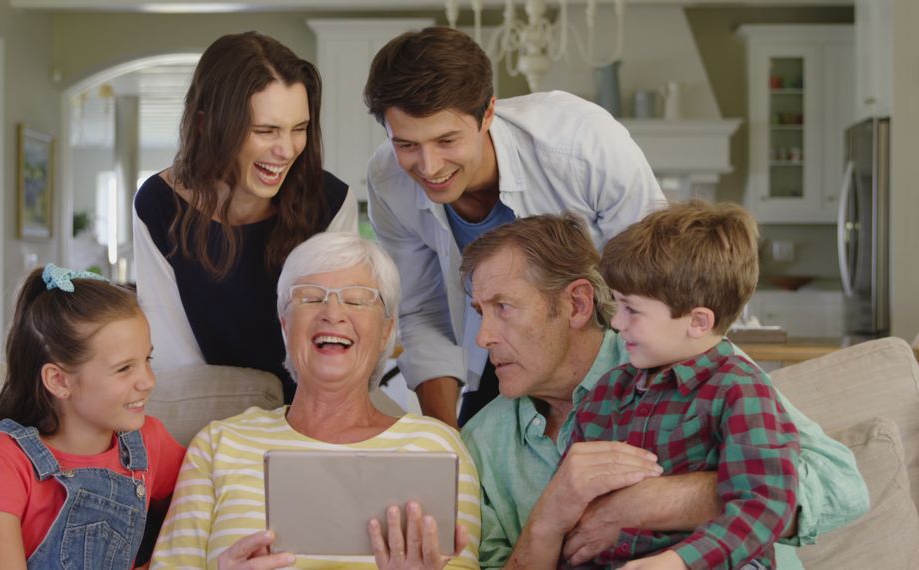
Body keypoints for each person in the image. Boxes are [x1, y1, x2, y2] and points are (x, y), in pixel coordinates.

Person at [458, 215, 869, 569]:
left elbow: (842, 487)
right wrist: (547, 522)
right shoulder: (482, 442)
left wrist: (647, 503)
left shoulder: (700, 358)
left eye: (504, 308)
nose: (483, 338)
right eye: (480, 313)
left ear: (578, 304)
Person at [362, 26, 666, 427]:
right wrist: (448, 443)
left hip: (614, 345)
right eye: (406, 145)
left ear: (488, 113)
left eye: (447, 141)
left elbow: (660, 274)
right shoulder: (388, 181)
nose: (429, 167)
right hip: (500, 360)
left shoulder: (582, 142)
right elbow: (423, 313)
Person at [150, 232, 480, 569]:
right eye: (309, 298)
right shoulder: (218, 444)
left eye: (356, 299)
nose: (332, 313)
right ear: (285, 325)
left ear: (385, 331)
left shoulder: (437, 448)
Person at [566, 200, 799, 568]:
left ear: (698, 322)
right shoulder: (607, 394)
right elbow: (576, 504)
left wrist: (677, 562)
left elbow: (765, 505)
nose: (616, 323)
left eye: (632, 309)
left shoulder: (740, 389)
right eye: (617, 305)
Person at [133, 32, 357, 404]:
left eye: (298, 129)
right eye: (265, 131)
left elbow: (338, 333)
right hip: (204, 401)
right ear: (207, 124)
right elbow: (172, 350)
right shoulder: (158, 205)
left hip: (312, 402)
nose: (286, 150)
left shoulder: (330, 202)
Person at [0, 264, 186, 569]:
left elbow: (206, 495)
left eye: (147, 359)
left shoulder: (150, 443)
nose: (148, 381)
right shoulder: (1, 462)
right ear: (59, 381)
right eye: (124, 368)